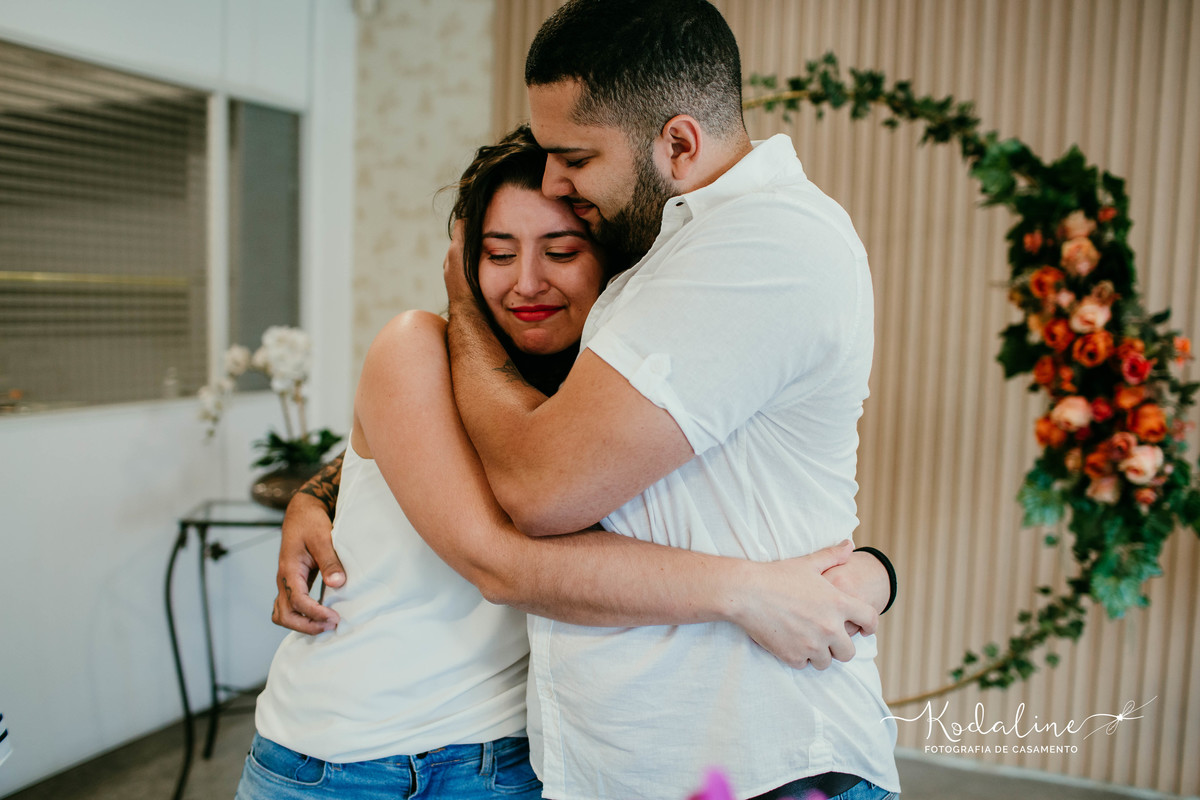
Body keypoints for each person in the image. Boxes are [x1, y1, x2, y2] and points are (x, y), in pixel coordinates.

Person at [243, 126, 891, 800]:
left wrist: (871, 571)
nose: (527, 282)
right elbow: (493, 555)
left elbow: (727, 515)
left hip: (524, 761)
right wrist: (315, 494)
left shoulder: (605, 401)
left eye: (560, 250)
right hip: (351, 759)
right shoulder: (416, 347)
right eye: (496, 254)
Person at [435, 1, 903, 797]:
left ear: (679, 142)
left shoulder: (761, 245)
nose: (553, 180)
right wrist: (325, 490)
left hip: (756, 758)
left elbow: (542, 489)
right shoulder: (667, 250)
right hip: (643, 758)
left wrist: (463, 311)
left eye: (573, 157)